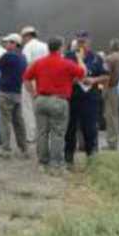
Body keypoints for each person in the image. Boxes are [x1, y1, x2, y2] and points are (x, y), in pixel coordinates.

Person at [23, 37, 85, 175]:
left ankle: (42, 163)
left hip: (41, 99)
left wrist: (33, 93)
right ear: (61, 47)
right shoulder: (66, 63)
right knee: (57, 134)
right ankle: (56, 164)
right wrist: (80, 59)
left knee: (42, 133)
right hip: (59, 100)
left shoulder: (39, 62)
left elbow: (26, 78)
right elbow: (82, 73)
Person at [63, 32, 108, 167]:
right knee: (70, 128)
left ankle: (92, 158)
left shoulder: (96, 58)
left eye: (84, 41)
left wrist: (94, 79)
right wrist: (72, 80)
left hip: (90, 98)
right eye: (79, 41)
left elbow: (105, 76)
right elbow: (61, 74)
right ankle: (68, 157)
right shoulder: (68, 57)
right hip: (73, 97)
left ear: (89, 42)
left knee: (90, 129)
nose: (81, 44)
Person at [0, 34, 29, 159]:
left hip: (5, 92)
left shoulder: (7, 56)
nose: (6, 44)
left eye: (9, 42)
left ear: (15, 44)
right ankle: (24, 148)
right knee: (18, 122)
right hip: (17, 92)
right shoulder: (23, 57)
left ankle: (6, 149)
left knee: (5, 122)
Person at [20, 26, 48, 144]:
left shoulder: (28, 47)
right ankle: (44, 134)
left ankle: (31, 135)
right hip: (44, 79)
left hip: (31, 79)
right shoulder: (45, 46)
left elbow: (26, 64)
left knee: (28, 108)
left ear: (27, 36)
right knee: (43, 108)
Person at [102, 39, 119, 150]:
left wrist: (104, 90)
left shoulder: (109, 58)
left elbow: (106, 75)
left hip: (113, 89)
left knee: (111, 116)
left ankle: (112, 143)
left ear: (112, 47)